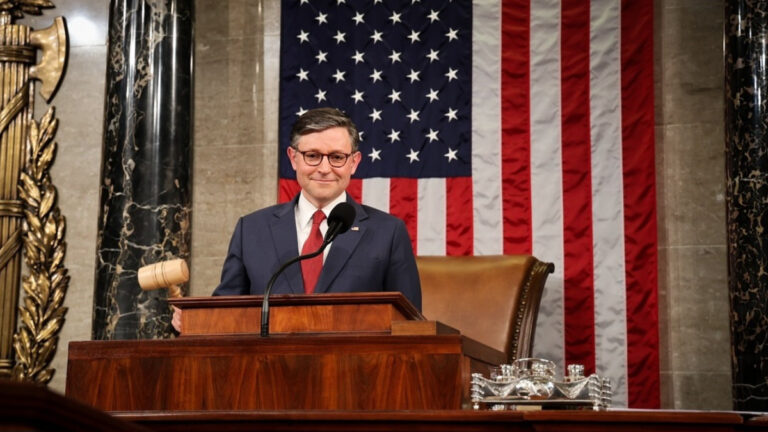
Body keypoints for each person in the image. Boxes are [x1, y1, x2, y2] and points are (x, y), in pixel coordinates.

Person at [172, 108, 421, 332]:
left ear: (354, 163)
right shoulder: (252, 230)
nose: (324, 168)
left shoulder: (388, 233)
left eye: (336, 157)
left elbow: (410, 326)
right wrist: (195, 320)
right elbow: (225, 314)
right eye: (312, 155)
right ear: (293, 158)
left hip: (357, 376)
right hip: (267, 375)